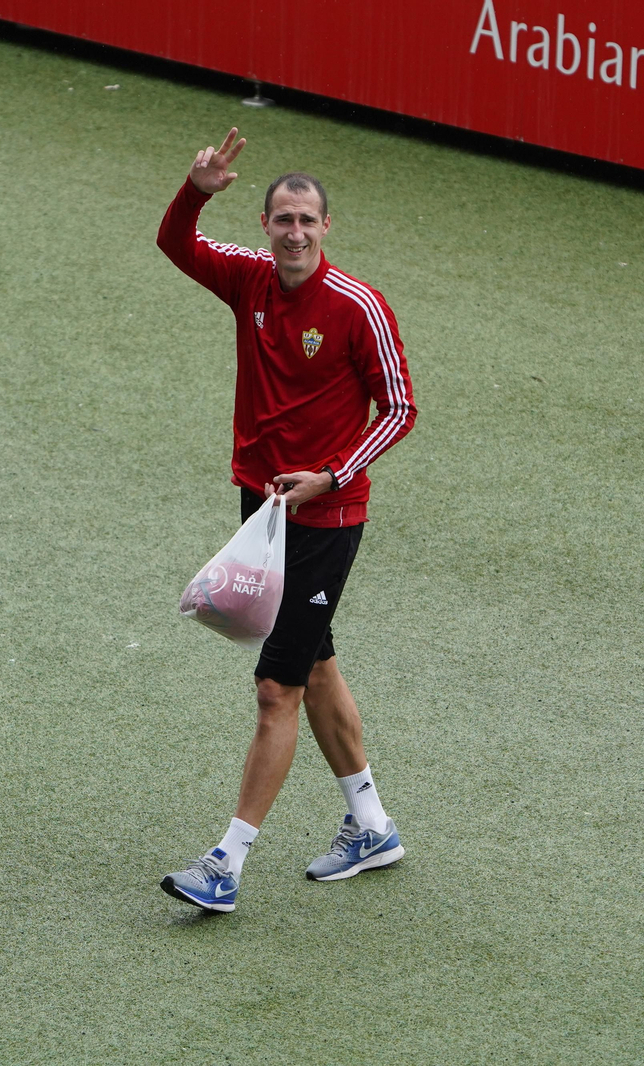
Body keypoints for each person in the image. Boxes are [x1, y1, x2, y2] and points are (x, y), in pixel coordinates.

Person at [156, 128, 418, 913]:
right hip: (263, 507)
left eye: (307, 220)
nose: (295, 233)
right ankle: (372, 826)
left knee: (277, 687)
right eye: (283, 220)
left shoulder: (358, 306)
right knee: (316, 661)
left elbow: (399, 408)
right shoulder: (249, 280)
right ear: (265, 225)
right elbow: (176, 243)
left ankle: (226, 863)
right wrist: (195, 190)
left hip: (327, 514)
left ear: (326, 227)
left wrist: (330, 476)